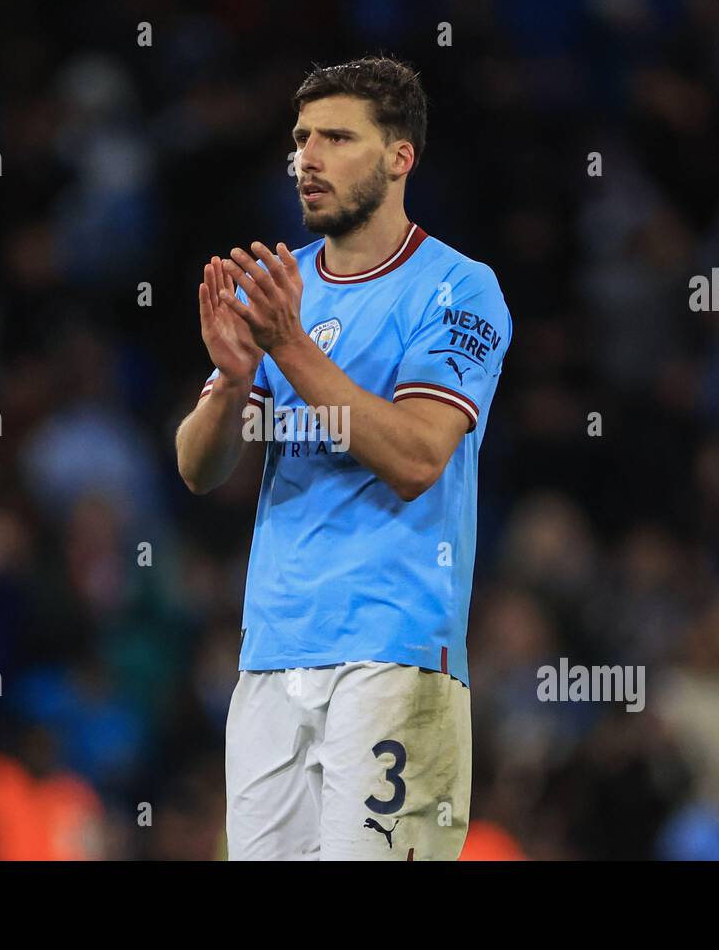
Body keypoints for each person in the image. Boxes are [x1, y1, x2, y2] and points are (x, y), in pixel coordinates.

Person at [175, 55, 512, 860]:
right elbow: (200, 467)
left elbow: (417, 456)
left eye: (336, 137)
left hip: (393, 653)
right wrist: (232, 378)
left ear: (401, 157)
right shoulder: (285, 288)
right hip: (271, 655)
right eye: (300, 139)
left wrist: (287, 346)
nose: (308, 158)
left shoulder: (458, 290)